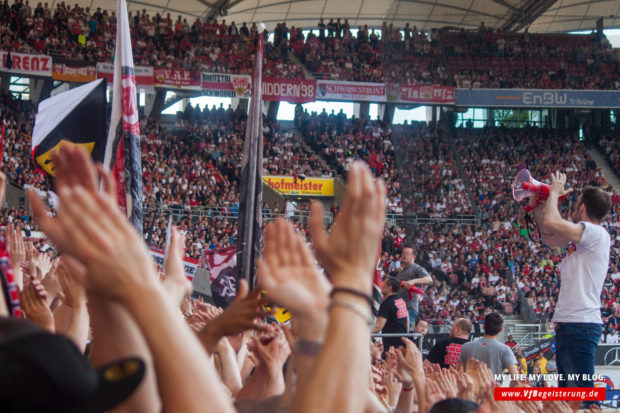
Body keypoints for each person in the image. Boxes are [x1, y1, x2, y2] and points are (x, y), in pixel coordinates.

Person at [534, 172, 612, 392]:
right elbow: (548, 234)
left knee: (581, 395)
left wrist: (554, 193)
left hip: (581, 324)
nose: (573, 208)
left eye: (576, 204)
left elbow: (552, 221)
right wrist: (539, 205)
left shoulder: (595, 232)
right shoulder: (584, 236)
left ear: (583, 207)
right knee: (569, 397)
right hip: (572, 323)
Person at [395, 246, 432, 328]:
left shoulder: (415, 267)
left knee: (406, 331)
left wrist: (413, 281)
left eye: (407, 254)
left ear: (413, 257)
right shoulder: (400, 271)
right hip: (398, 307)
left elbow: (429, 279)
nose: (404, 255)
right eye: (403, 253)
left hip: (409, 307)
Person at [372, 276, 408, 355]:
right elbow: (407, 321)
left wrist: (364, 333)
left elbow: (378, 327)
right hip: (403, 344)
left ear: (390, 287)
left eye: (384, 284)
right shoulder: (401, 300)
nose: (381, 285)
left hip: (391, 347)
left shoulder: (387, 303)